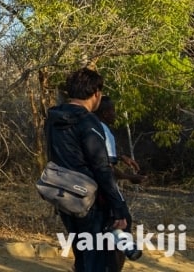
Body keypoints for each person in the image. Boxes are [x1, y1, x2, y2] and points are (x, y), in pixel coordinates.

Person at [45, 68, 131, 272]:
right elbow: (101, 167)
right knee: (97, 259)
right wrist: (118, 208)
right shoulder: (89, 120)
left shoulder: (53, 118)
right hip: (90, 199)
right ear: (96, 93)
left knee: (82, 254)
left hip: (64, 196)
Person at [95, 95, 144, 271]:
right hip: (105, 191)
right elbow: (107, 166)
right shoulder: (103, 130)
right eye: (112, 110)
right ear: (105, 112)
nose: (114, 114)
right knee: (121, 227)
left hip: (87, 192)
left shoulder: (88, 126)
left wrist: (121, 156)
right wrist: (128, 177)